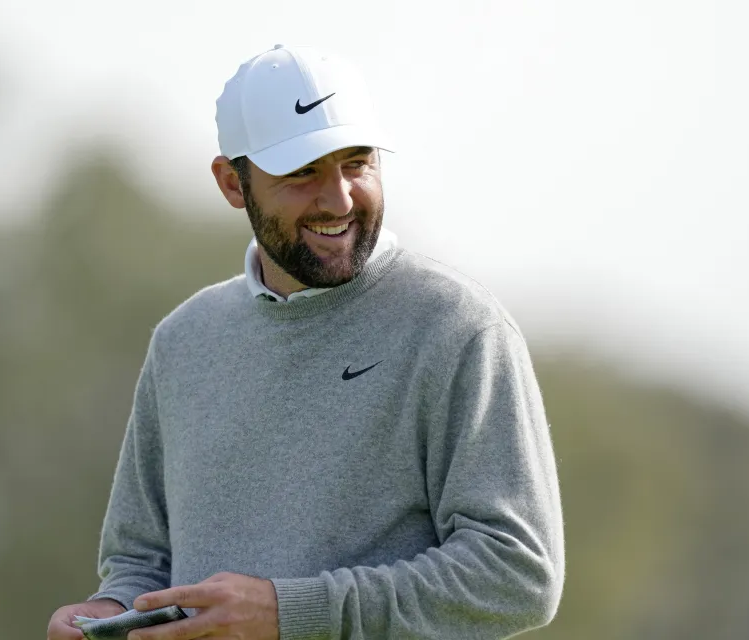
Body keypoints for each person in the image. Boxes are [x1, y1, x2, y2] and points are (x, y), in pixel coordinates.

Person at [47, 44, 564, 640]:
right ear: (232, 183)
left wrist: (289, 613)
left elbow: (517, 574)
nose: (339, 198)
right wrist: (111, 612)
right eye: (302, 172)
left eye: (356, 162)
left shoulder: (457, 327)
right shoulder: (184, 342)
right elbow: (141, 562)